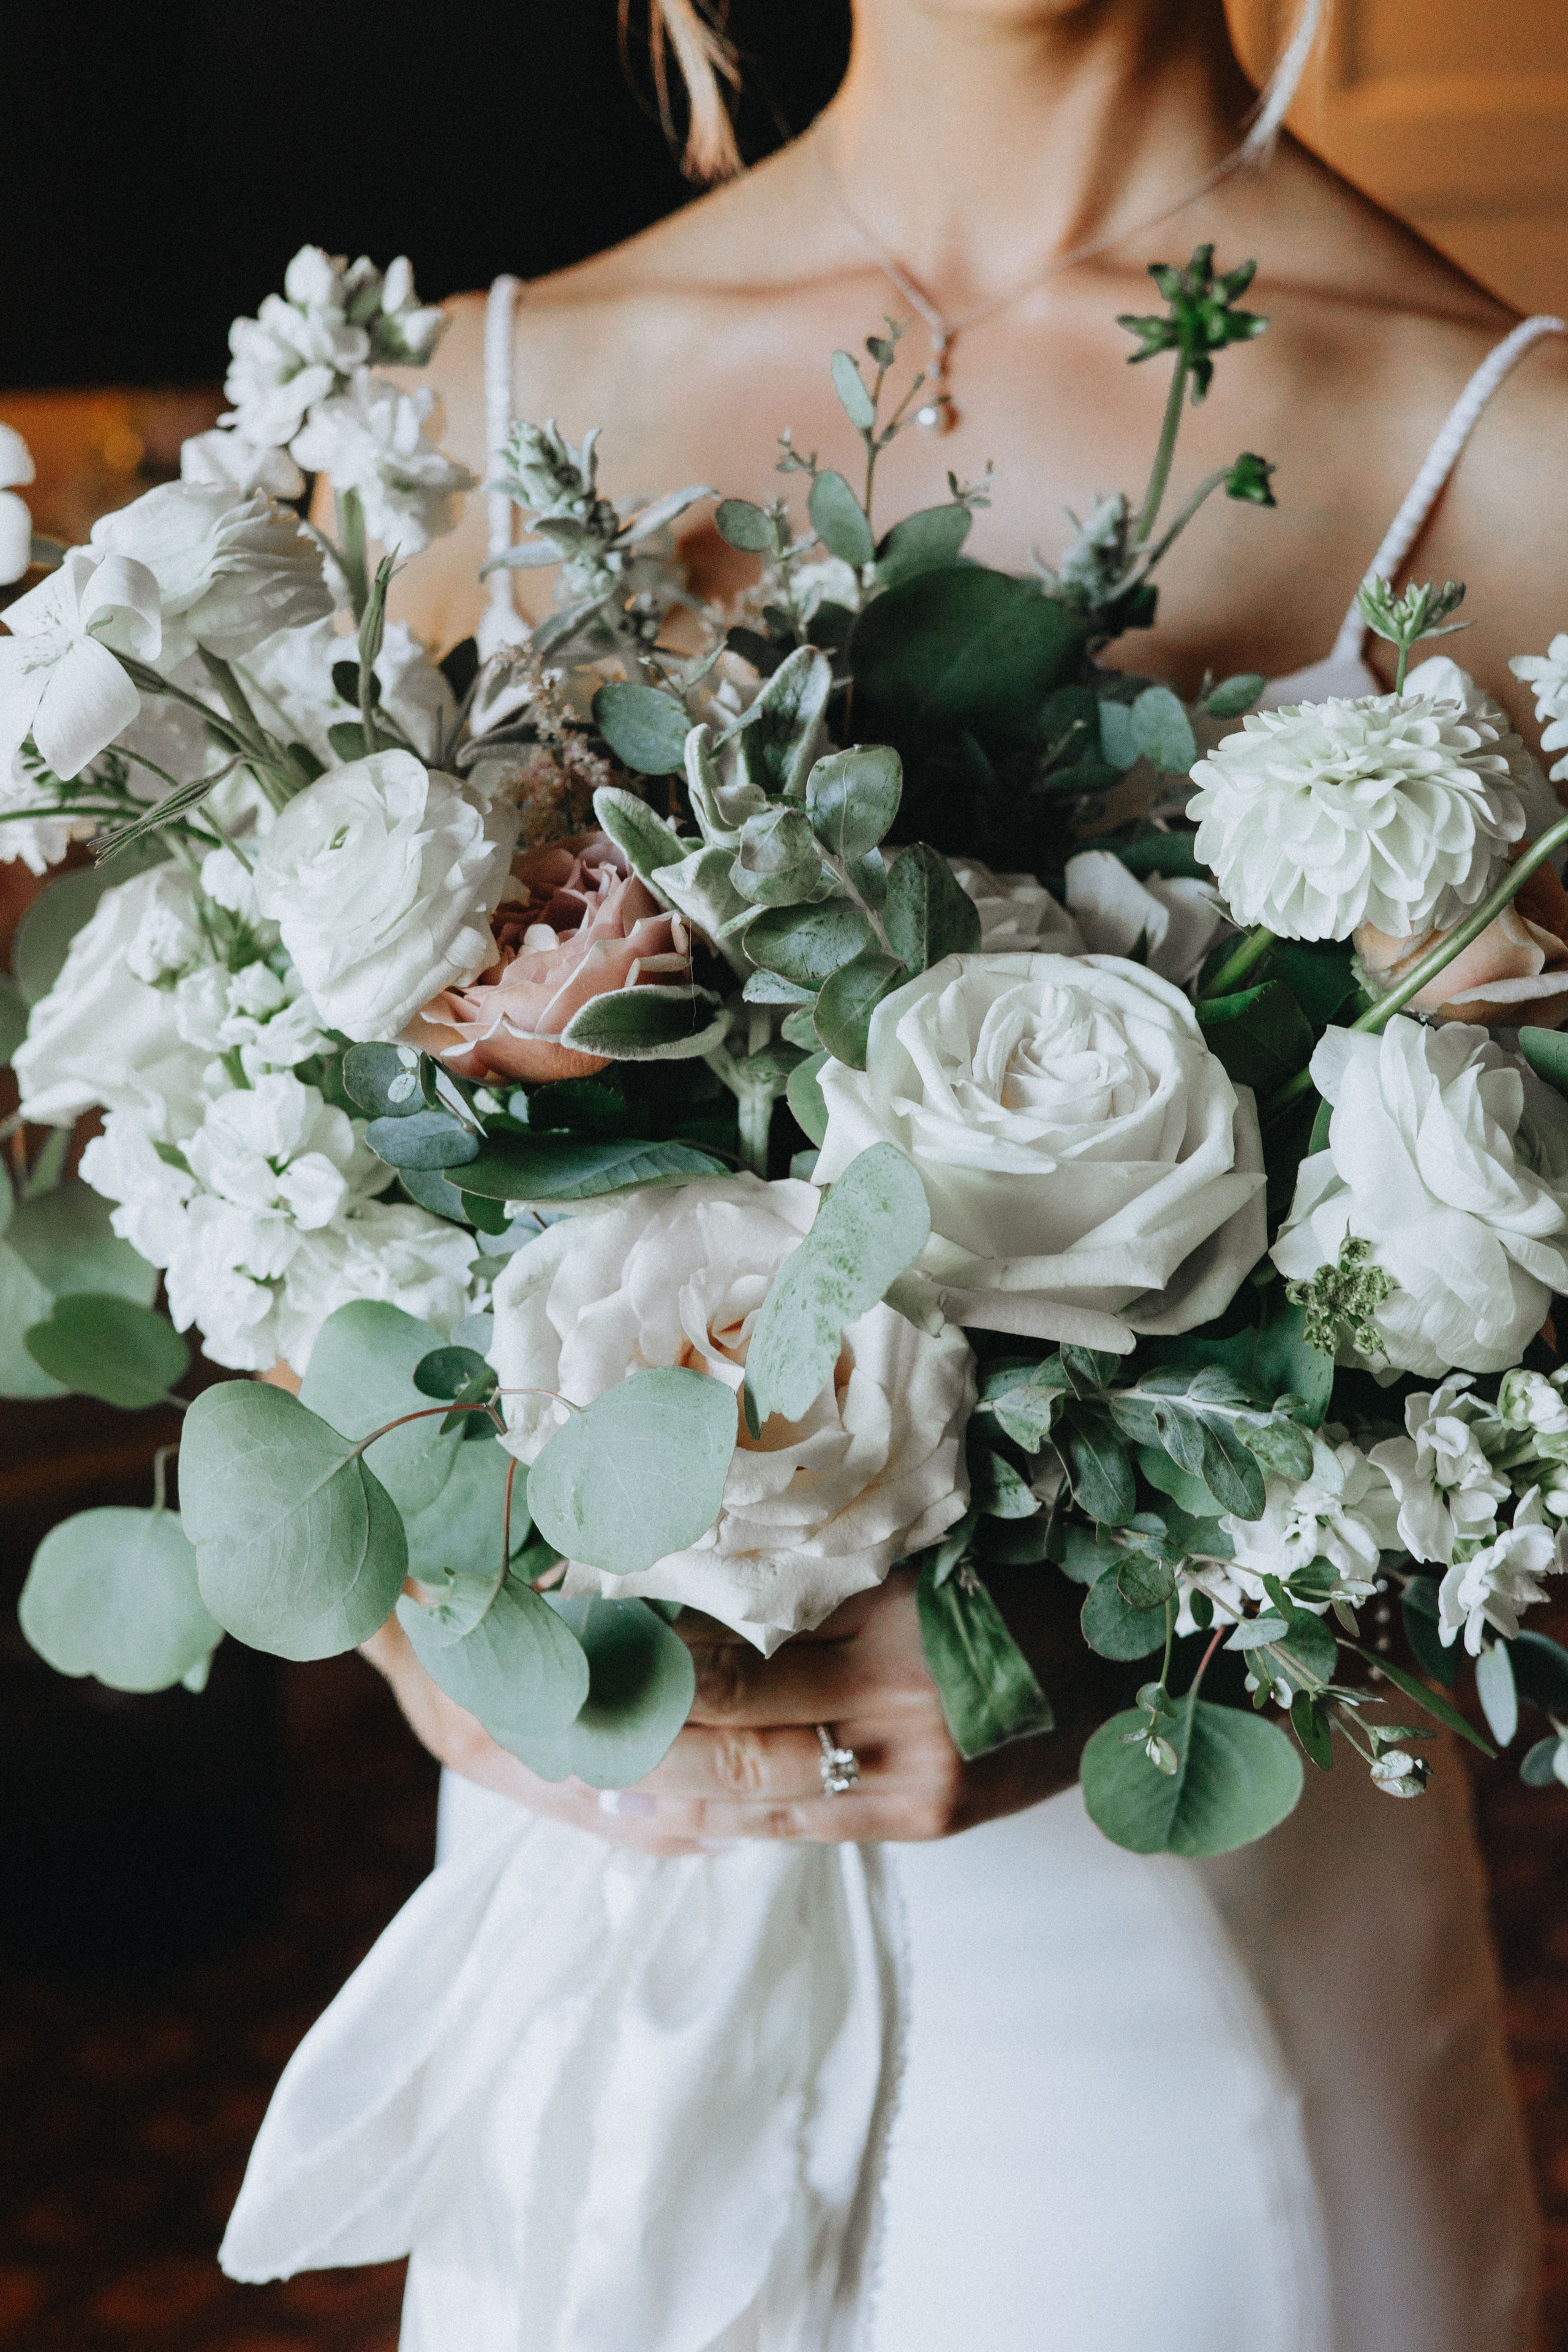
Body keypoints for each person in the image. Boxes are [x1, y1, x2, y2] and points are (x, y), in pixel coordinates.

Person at [311, 1, 1568, 2342]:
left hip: (1178, 1976)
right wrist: (414, 1596)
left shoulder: (1520, 459)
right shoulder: (435, 417)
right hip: (595, 1964)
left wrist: (1142, 1644)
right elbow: (258, 1195)